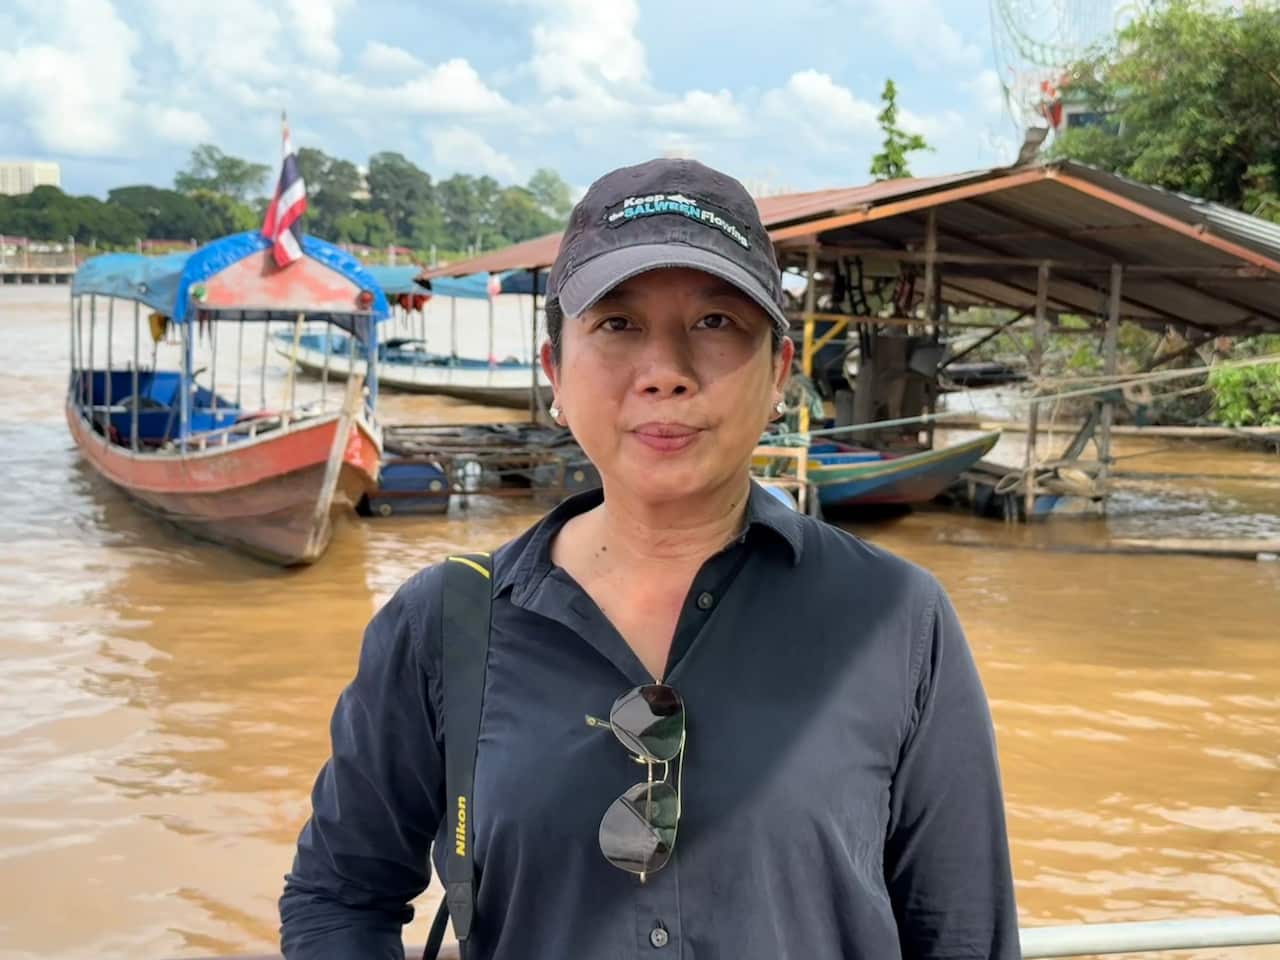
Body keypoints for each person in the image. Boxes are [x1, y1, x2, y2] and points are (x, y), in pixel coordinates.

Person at [280, 158, 1020, 959]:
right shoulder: (446, 625)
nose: (665, 373)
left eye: (715, 323)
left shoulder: (895, 620)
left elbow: (963, 934)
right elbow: (339, 897)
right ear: (555, 372)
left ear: (778, 374)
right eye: (617, 324)